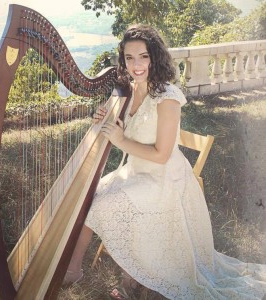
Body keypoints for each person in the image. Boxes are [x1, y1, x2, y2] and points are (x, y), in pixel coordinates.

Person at [64, 24, 266, 299]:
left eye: (143, 56)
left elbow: (161, 154)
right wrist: (106, 119)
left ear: (155, 57)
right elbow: (122, 130)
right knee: (90, 196)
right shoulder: (127, 92)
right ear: (123, 60)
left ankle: (135, 274)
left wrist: (121, 140)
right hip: (135, 172)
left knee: (105, 204)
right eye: (130, 58)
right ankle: (74, 269)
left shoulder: (167, 98)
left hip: (164, 181)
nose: (137, 64)